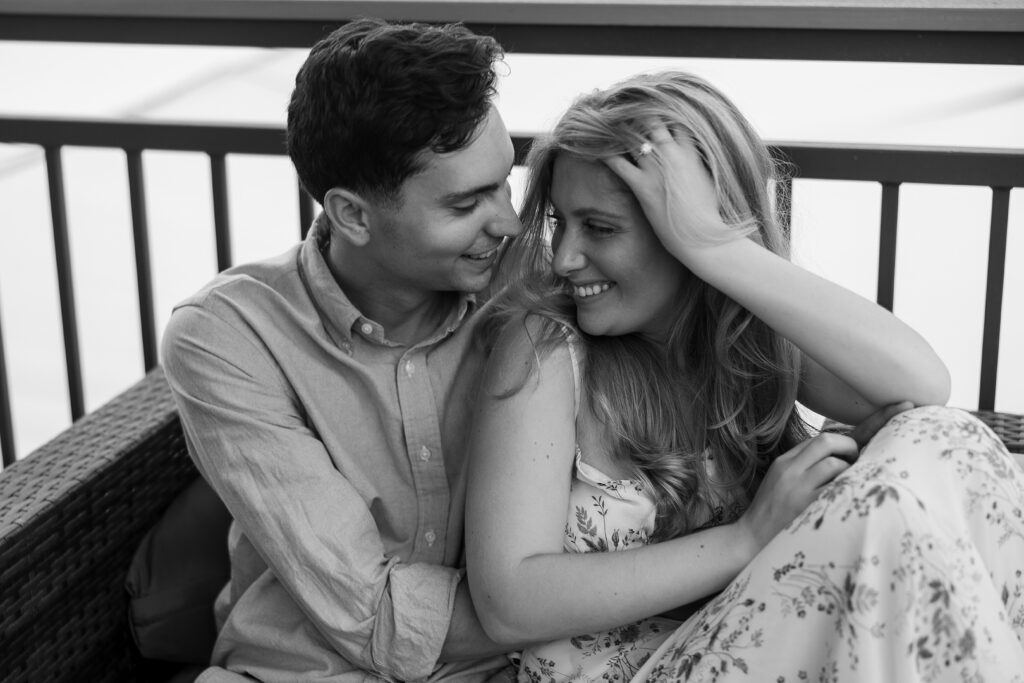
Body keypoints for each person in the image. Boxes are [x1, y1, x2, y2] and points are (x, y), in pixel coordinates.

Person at [466, 71, 1024, 681]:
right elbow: (507, 603)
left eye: (600, 228)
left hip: (768, 648)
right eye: (560, 223)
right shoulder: (546, 348)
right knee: (882, 508)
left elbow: (923, 390)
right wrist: (746, 539)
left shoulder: (748, 342)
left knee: (946, 438)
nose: (566, 257)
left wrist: (715, 250)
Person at [161, 17, 525, 681]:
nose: (509, 221)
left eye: (505, 181)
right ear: (353, 214)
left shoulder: (532, 287)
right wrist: (556, 600)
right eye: (468, 202)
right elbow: (372, 614)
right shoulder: (227, 334)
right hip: (296, 669)